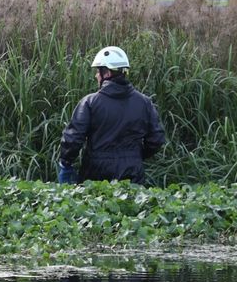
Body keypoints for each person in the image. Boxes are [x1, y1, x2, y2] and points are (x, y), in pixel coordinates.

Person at [58, 46, 165, 184]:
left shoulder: (89, 103)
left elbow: (73, 138)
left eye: (98, 71)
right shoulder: (145, 103)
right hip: (132, 172)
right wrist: (135, 156)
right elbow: (156, 139)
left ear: (107, 73)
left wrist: (66, 162)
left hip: (95, 173)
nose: (96, 75)